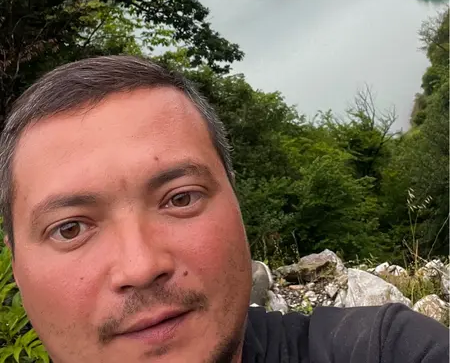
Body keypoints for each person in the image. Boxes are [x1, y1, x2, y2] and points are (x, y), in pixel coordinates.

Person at [0, 56, 447, 363]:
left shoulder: (384, 348)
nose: (141, 266)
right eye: (70, 228)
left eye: (180, 198)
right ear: (15, 265)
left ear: (236, 203)